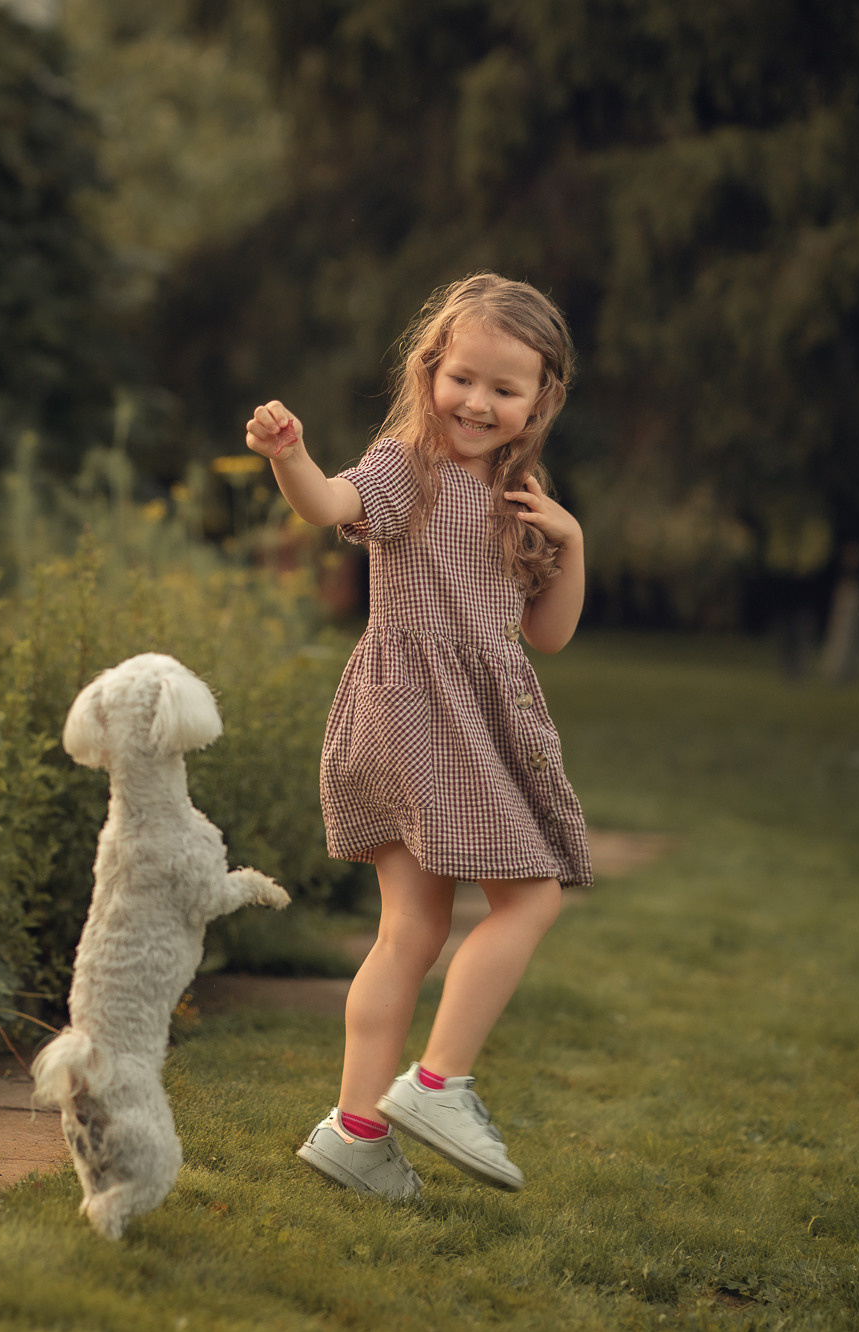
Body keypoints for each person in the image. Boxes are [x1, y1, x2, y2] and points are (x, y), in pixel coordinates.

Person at [243, 272, 593, 1201]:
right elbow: (327, 504)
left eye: (503, 388)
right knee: (530, 901)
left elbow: (549, 634)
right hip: (421, 715)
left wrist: (572, 543)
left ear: (539, 399)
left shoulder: (520, 494)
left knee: (413, 928)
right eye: (462, 377)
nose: (477, 402)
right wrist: (290, 456)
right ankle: (437, 1085)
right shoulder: (407, 466)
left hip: (452, 716)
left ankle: (357, 1132)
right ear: (430, 370)